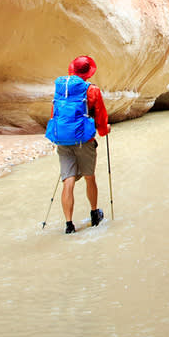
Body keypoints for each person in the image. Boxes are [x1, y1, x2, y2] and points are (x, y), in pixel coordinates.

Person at [46, 55, 110, 233]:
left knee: (68, 180)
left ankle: (69, 225)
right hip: (84, 141)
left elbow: (54, 114)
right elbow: (100, 115)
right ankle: (94, 214)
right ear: (88, 73)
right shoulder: (92, 90)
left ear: (72, 69)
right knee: (89, 177)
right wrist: (105, 130)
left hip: (63, 140)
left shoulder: (61, 90)